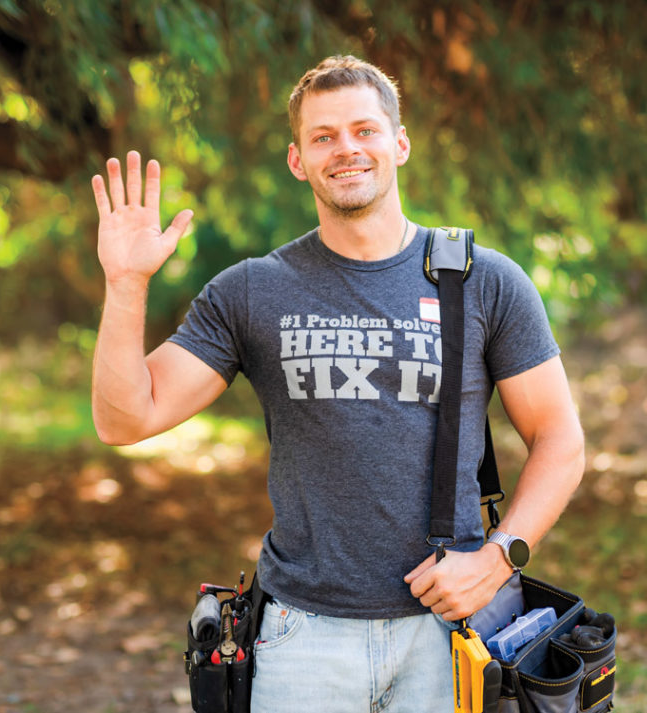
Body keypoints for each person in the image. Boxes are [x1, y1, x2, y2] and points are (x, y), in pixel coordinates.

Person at [90, 55, 585, 713]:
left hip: (450, 636)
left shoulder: (484, 282)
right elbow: (126, 418)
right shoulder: (252, 291)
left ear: (399, 144)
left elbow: (560, 438)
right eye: (322, 136)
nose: (345, 148)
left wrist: (499, 558)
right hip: (302, 642)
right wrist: (126, 286)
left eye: (364, 130)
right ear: (298, 160)